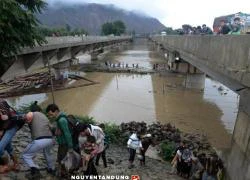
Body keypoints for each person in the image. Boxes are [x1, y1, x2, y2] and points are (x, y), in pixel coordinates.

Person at [22, 112, 55, 178]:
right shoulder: (44, 116)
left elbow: (29, 115)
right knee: (48, 153)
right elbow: (51, 127)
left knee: (25, 155)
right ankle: (51, 169)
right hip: (50, 139)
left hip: (40, 140)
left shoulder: (32, 114)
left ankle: (35, 170)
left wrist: (25, 118)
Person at [46, 104, 73, 177]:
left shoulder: (61, 120)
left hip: (64, 144)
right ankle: (62, 173)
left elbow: (67, 134)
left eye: (51, 114)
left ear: (57, 111)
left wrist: (70, 146)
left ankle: (65, 174)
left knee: (62, 159)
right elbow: (59, 131)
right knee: (60, 159)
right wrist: (52, 128)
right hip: (61, 143)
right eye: (49, 115)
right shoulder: (59, 119)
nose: (51, 116)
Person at [0, 99, 25, 173]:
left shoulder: (1, 103)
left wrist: (1, 130)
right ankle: (16, 164)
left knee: (0, 148)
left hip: (12, 124)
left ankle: (5, 166)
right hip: (4, 126)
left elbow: (9, 117)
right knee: (8, 147)